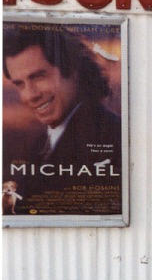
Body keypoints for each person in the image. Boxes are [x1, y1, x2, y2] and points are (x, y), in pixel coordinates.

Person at [3, 26, 122, 213]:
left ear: (73, 69)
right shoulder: (40, 145)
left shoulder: (112, 137)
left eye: (39, 77)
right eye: (20, 84)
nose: (29, 95)